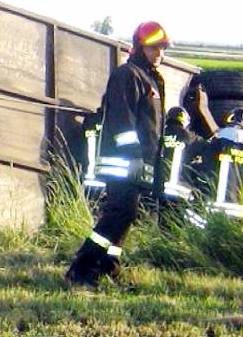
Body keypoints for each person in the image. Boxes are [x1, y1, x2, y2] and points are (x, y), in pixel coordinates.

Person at [66, 21, 169, 286]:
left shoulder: (150, 79)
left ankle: (109, 266)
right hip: (123, 162)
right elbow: (122, 119)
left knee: (126, 215)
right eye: (153, 48)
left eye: (162, 48)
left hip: (137, 163)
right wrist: (134, 154)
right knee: (118, 214)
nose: (159, 53)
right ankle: (82, 268)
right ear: (139, 47)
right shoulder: (128, 74)